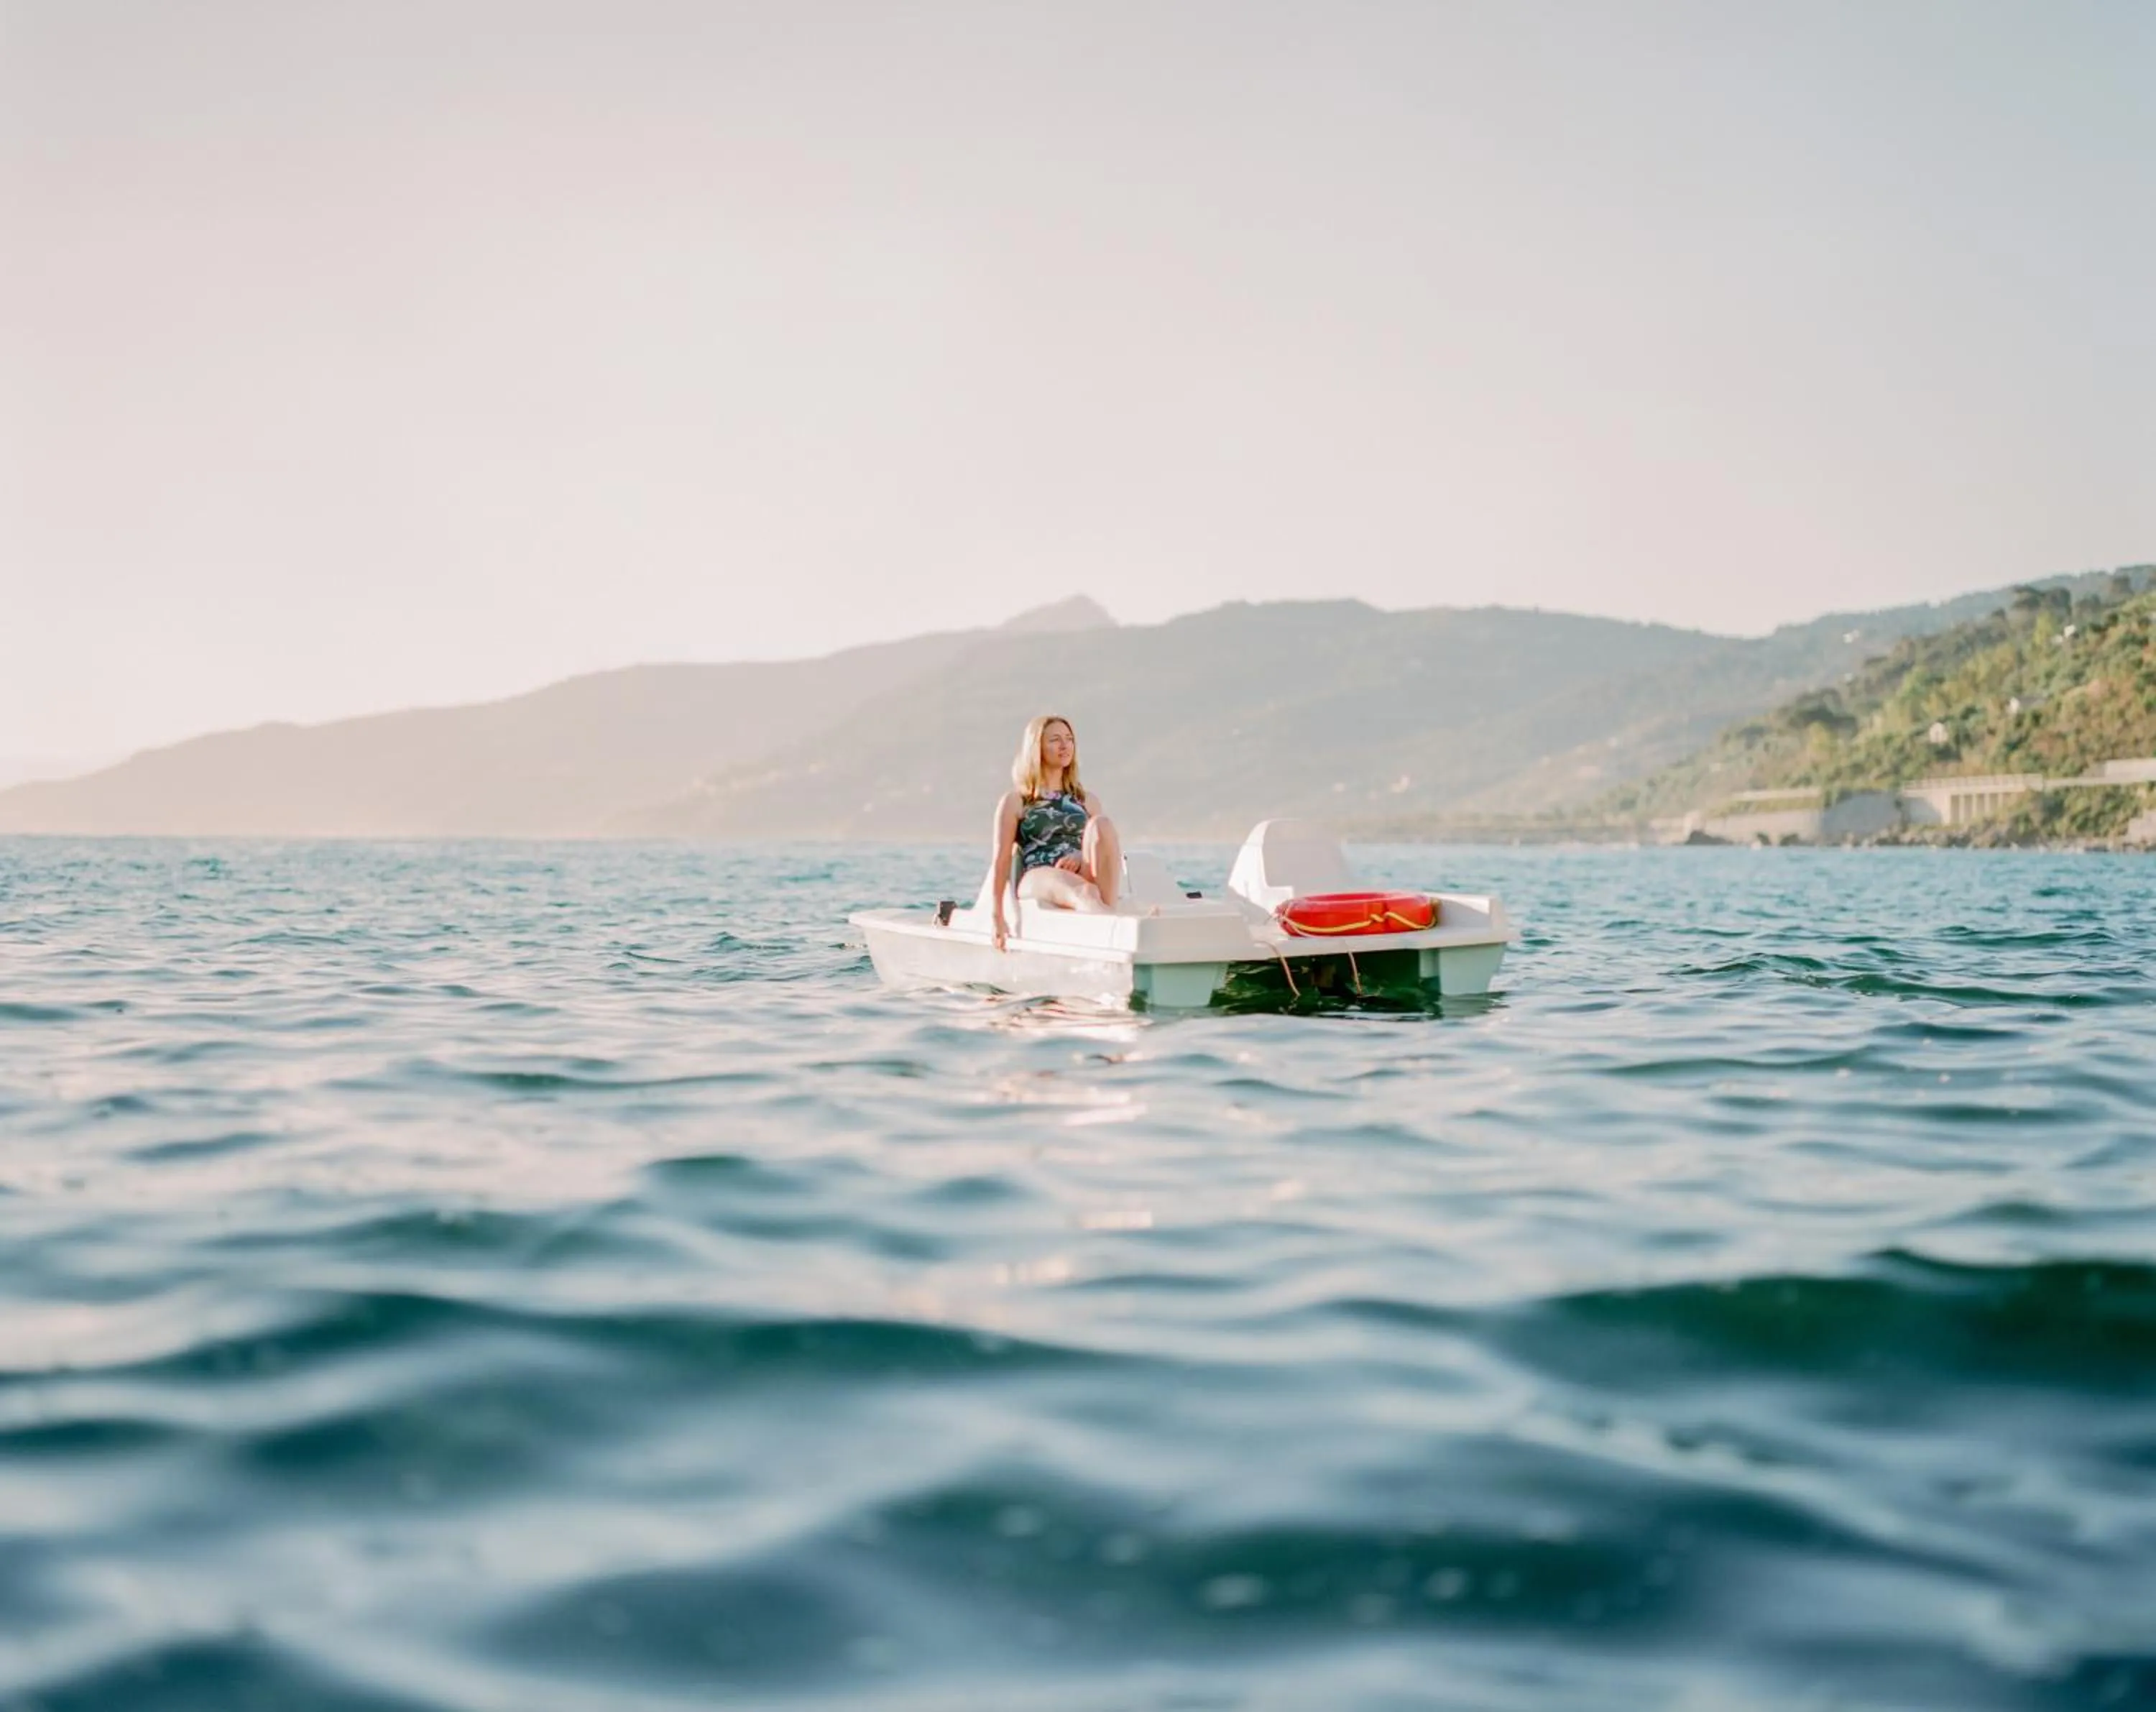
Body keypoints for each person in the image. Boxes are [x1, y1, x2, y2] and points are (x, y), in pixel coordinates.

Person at [987, 714, 1122, 951]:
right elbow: (1002, 860)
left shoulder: (1086, 800)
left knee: (1103, 825)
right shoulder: (1017, 800)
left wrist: (1081, 857)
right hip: (1039, 873)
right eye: (1055, 740)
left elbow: (1101, 849)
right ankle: (1118, 930)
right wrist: (997, 915)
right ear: (1036, 748)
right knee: (1086, 892)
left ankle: (1112, 928)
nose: (1065, 745)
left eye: (1069, 739)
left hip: (1081, 869)